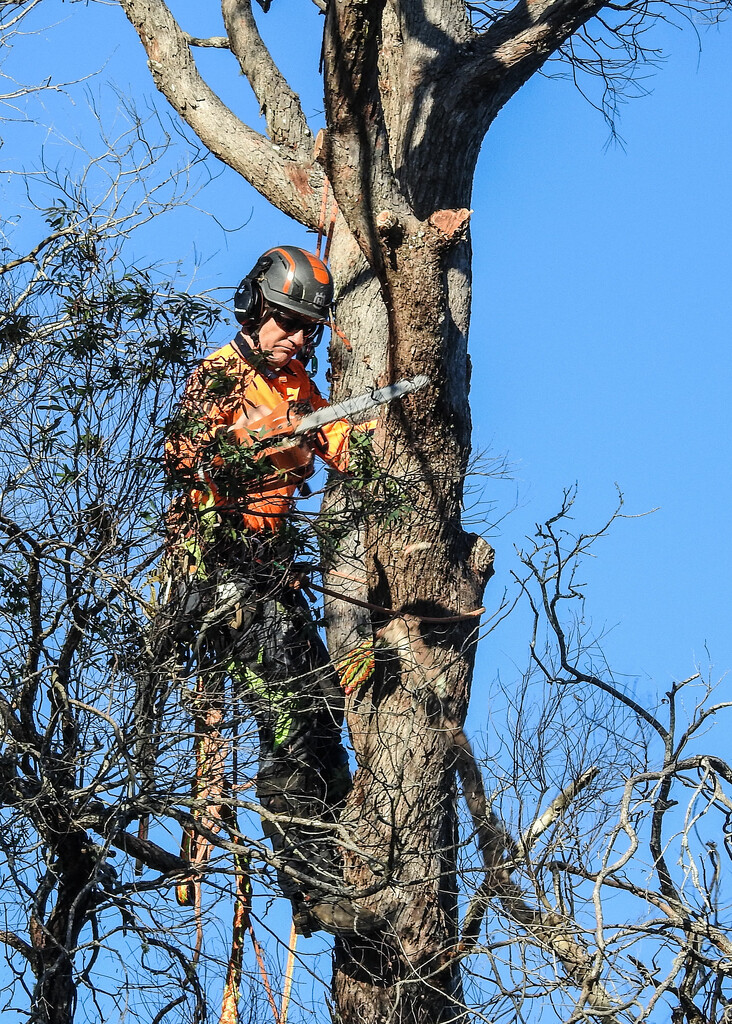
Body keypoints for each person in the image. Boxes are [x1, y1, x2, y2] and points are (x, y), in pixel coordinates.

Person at [163, 245, 378, 937]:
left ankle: (350, 853)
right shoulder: (218, 378)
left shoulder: (297, 390)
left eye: (307, 328)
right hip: (224, 575)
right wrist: (254, 445)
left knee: (320, 706)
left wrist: (370, 444)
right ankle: (311, 887)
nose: (296, 338)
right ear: (256, 307)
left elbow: (339, 439)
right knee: (285, 725)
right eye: (286, 322)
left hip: (276, 579)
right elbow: (187, 465)